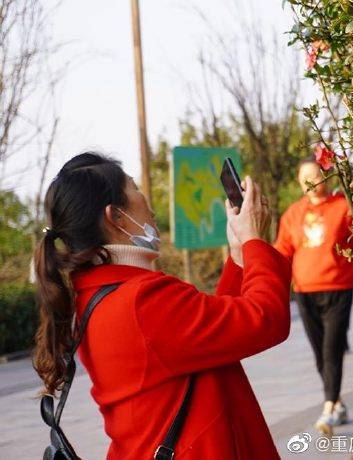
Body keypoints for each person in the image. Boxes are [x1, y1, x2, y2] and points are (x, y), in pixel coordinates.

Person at [33, 152, 291, 459]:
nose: (148, 201)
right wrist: (253, 241)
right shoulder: (140, 300)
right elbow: (266, 319)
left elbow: (209, 334)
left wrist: (238, 256)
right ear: (115, 216)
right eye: (136, 190)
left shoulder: (99, 295)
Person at [273, 157, 353, 435]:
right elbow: (282, 254)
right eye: (305, 177)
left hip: (338, 289)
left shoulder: (343, 208)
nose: (311, 181)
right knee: (319, 353)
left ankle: (329, 405)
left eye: (315, 175)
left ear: (325, 176)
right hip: (304, 292)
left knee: (332, 349)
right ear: (298, 182)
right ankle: (338, 402)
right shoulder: (292, 214)